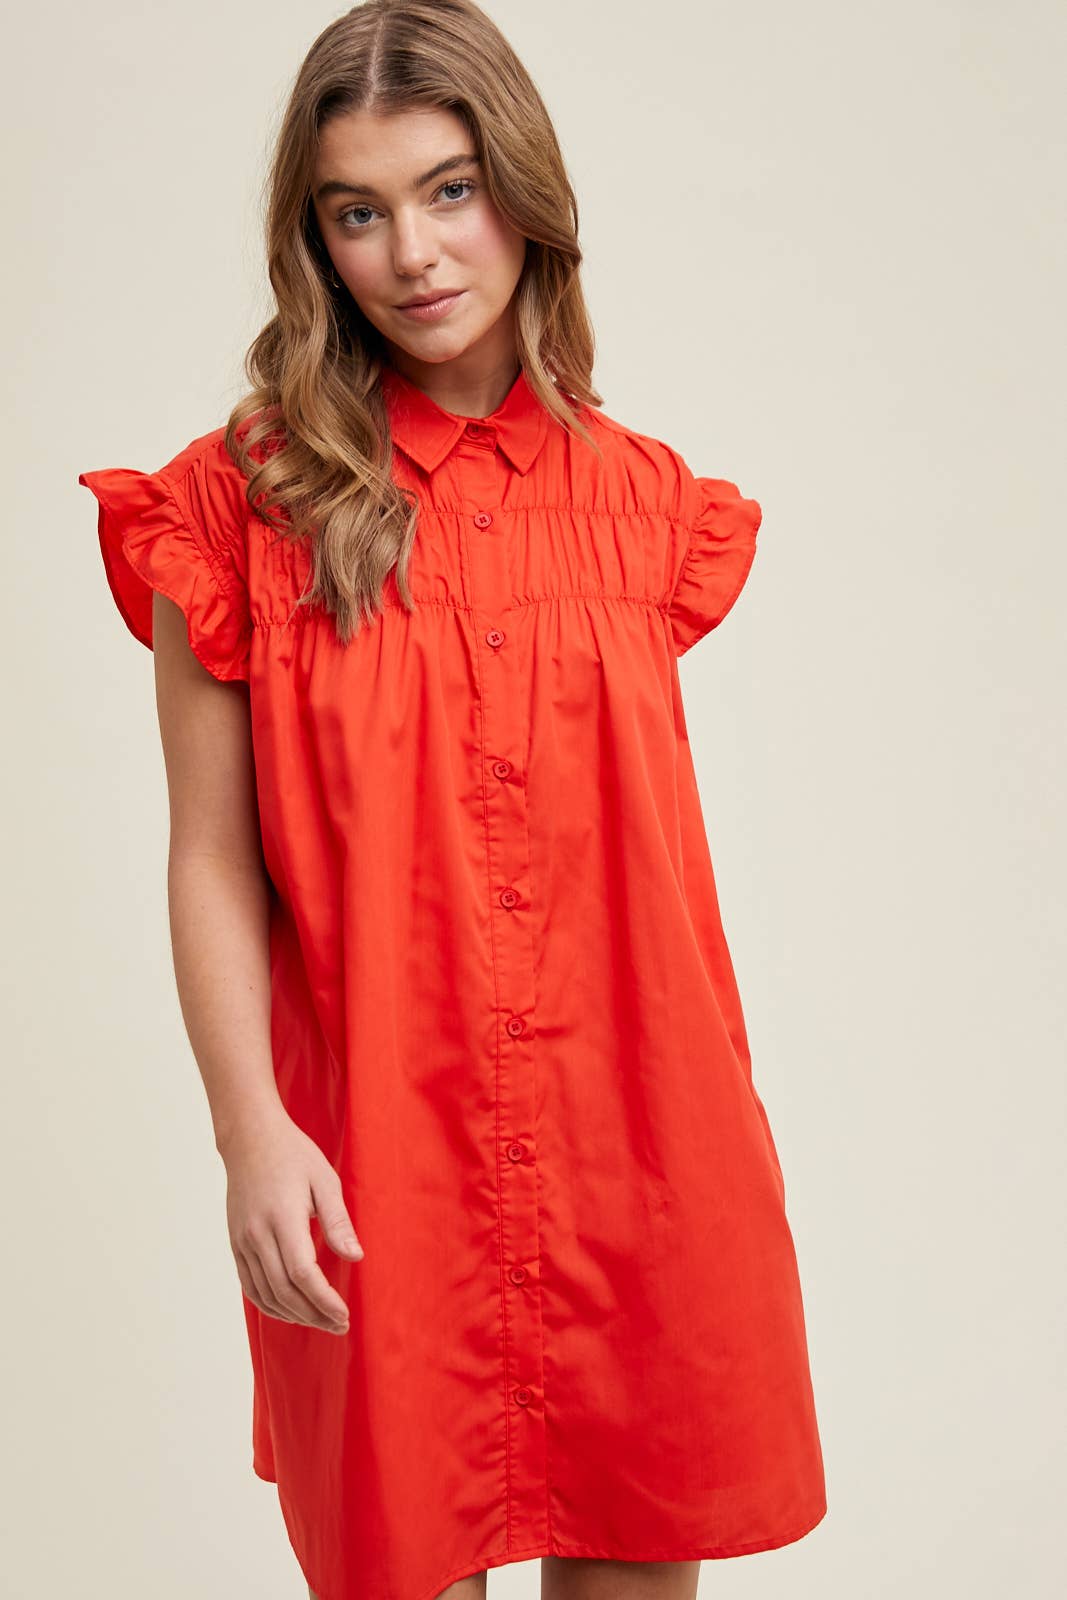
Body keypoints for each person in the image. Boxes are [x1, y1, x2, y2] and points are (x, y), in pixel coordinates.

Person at [77, 2, 827, 1597]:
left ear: (526, 193)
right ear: (314, 239)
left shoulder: (650, 509)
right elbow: (210, 859)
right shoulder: (232, 509)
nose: (411, 251)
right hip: (378, 1151)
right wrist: (250, 1137)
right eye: (358, 210)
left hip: (646, 1153)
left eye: (449, 189)